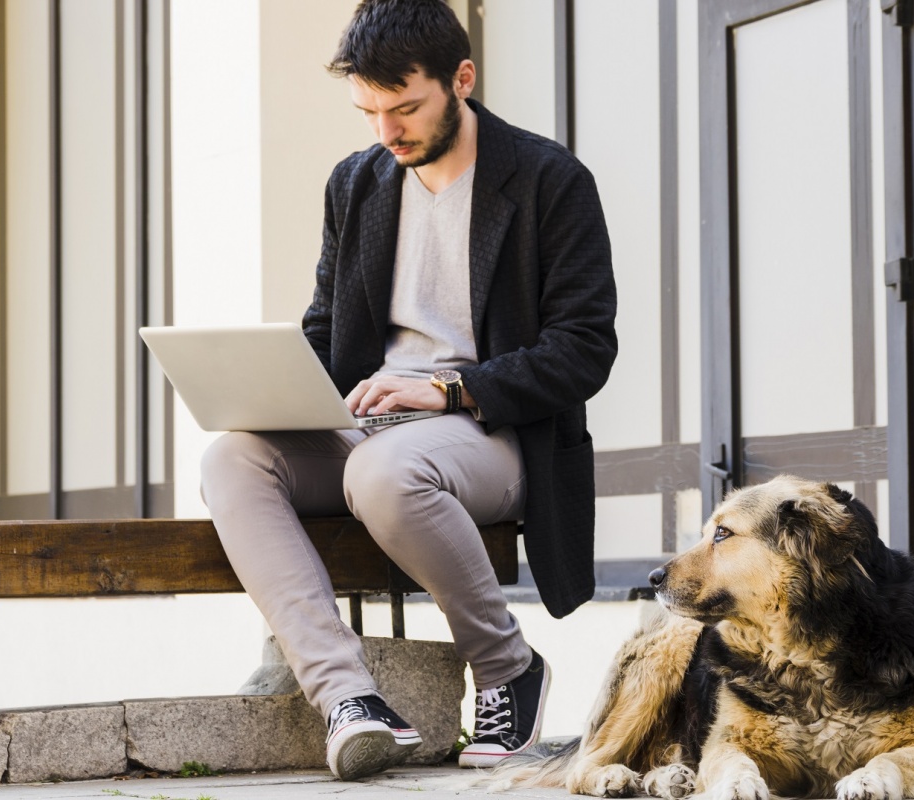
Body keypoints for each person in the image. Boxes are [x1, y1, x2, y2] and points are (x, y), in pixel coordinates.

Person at [199, 0, 616, 782]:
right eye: (369, 111)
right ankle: (350, 699)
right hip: (374, 423)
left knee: (382, 474)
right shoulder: (356, 184)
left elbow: (584, 350)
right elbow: (327, 329)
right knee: (231, 460)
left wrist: (452, 392)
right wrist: (278, 389)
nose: (387, 132)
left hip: (497, 433)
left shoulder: (549, 181)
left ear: (462, 79)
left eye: (405, 108)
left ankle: (506, 667)